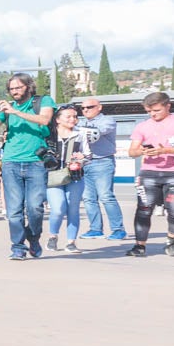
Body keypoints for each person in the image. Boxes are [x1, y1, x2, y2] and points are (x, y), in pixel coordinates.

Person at [124, 92, 174, 257]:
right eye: (149, 111)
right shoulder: (142, 126)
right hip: (149, 173)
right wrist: (142, 150)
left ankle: (173, 238)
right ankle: (139, 245)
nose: (153, 114)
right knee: (144, 209)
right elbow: (132, 152)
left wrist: (166, 150)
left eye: (157, 110)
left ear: (168, 106)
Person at [0, 72, 55, 260]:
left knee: (35, 207)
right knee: (14, 210)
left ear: (28, 86)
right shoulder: (5, 110)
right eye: (12, 89)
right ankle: (18, 247)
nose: (15, 91)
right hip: (11, 162)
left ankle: (33, 238)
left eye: (18, 87)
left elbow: (44, 120)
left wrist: (15, 111)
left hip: (36, 162)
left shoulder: (43, 101)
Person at [73, 97, 125, 240]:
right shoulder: (82, 122)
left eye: (89, 107)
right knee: (88, 198)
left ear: (99, 107)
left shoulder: (107, 120)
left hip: (103, 161)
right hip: (85, 163)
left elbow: (95, 132)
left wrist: (75, 127)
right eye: (82, 108)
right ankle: (95, 229)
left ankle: (118, 229)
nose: (85, 110)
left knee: (106, 196)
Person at [45, 105, 89, 251]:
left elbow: (88, 155)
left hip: (74, 176)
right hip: (53, 176)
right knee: (58, 208)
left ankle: (71, 242)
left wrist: (81, 158)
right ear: (58, 119)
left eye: (75, 116)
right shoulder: (49, 135)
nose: (73, 119)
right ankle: (53, 236)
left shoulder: (80, 134)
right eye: (68, 116)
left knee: (73, 208)